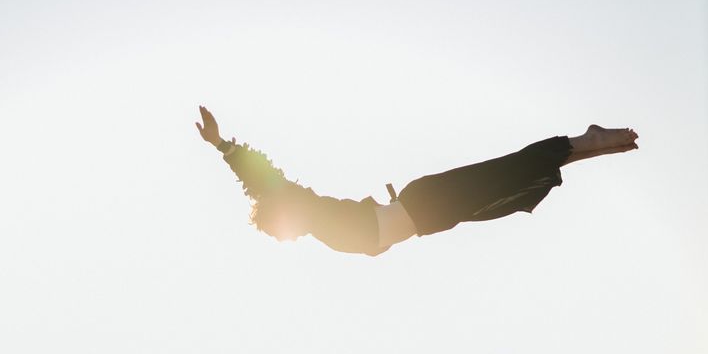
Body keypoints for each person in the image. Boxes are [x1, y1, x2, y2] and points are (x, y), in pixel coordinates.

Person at [195, 106, 639, 256]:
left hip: (428, 206)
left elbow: (263, 181)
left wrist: (223, 146)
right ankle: (589, 148)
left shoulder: (310, 211)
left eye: (278, 231)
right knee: (510, 186)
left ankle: (586, 141)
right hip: (429, 209)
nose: (285, 238)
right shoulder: (323, 227)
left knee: (507, 178)